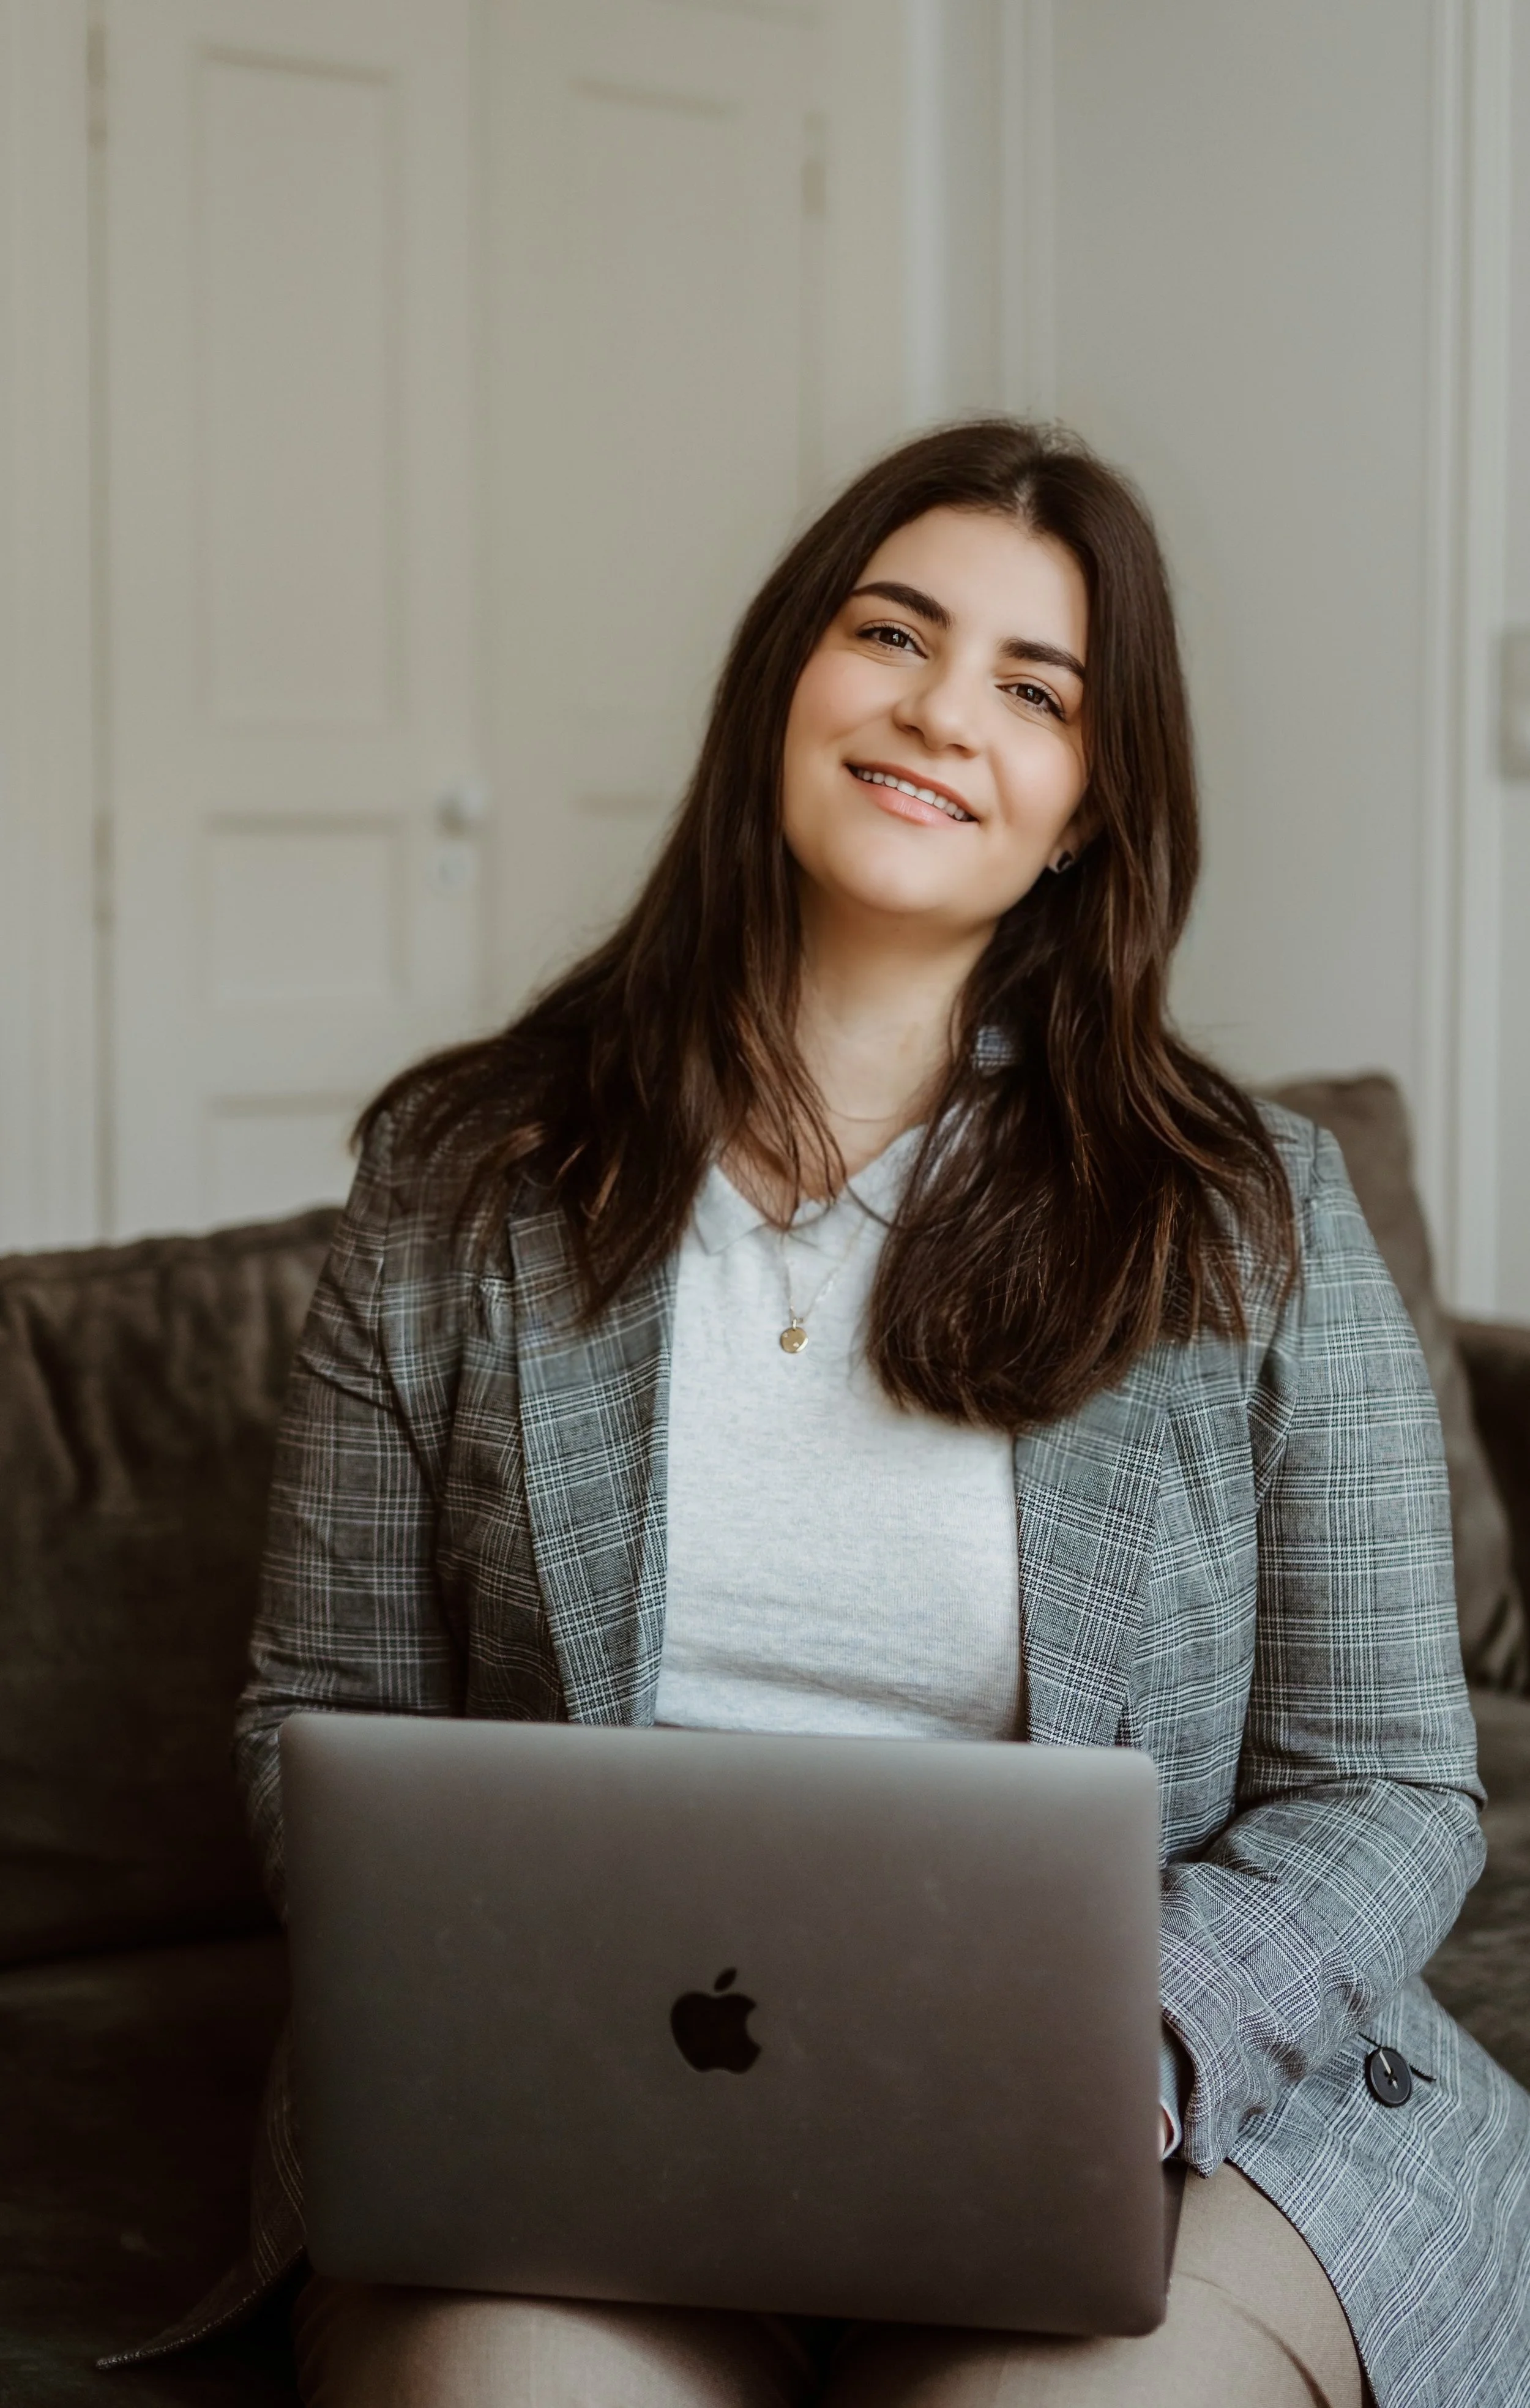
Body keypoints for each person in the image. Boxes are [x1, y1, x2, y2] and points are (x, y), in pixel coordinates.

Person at [232, 421, 1529, 2404]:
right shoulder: (458, 1174)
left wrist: (1138, 2038)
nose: (941, 713)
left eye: (1036, 688)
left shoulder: (1243, 1210)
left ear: (1088, 802)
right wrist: (506, 2003)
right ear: (786, 675)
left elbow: (1386, 1786)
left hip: (1169, 2122)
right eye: (890, 633)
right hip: (578, 2120)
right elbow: (307, 1720)